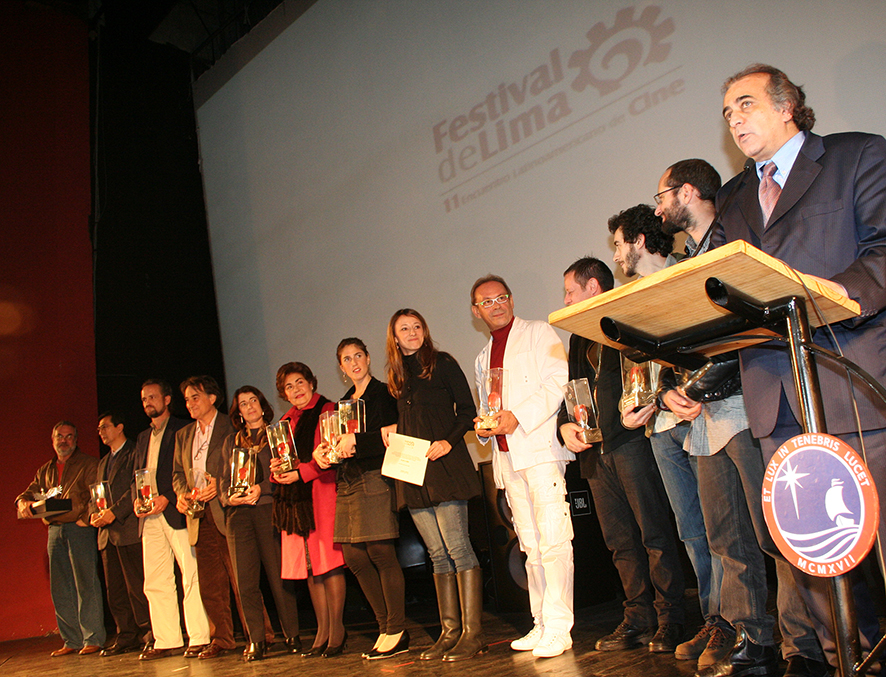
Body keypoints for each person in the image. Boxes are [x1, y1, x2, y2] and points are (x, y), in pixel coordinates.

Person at [712, 63, 886, 677]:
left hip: (849, 378)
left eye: (746, 103)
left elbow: (883, 251)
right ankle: (849, 663)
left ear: (787, 106)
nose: (734, 118)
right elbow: (716, 294)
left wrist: (817, 300)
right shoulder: (732, 199)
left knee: (877, 546)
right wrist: (690, 378)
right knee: (812, 554)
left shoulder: (856, 156)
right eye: (727, 110)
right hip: (774, 398)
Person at [654, 159, 824, 674]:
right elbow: (679, 342)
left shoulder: (736, 244)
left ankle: (803, 646)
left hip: (750, 408)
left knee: (775, 536)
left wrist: (695, 386)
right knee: (727, 538)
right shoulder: (685, 261)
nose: (658, 207)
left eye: (662, 196)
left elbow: (748, 331)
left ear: (686, 193)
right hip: (706, 419)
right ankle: (755, 637)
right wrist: (669, 391)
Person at [556, 257, 686, 655]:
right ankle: (637, 618)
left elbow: (644, 376)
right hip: (595, 452)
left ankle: (671, 619)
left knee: (654, 535)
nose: (565, 299)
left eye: (569, 291)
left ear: (592, 287)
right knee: (619, 542)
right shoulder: (579, 335)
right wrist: (565, 425)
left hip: (631, 443)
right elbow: (572, 387)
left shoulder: (625, 316)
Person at [470, 276, 575, 658]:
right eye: (487, 301)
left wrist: (518, 416)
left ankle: (560, 627)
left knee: (553, 539)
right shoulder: (483, 357)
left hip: (540, 450)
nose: (496, 305)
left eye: (502, 298)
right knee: (529, 545)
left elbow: (557, 383)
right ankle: (541, 622)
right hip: (507, 457)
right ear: (476, 311)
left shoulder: (539, 332)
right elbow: (487, 406)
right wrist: (484, 427)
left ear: (511, 300)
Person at [385, 308, 485, 661]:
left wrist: (448, 441)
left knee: (458, 548)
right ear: (394, 338)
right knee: (437, 554)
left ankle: (472, 634)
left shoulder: (441, 362)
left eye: (416, 327)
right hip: (414, 475)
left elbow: (467, 409)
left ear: (424, 331)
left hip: (446, 468)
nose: (412, 333)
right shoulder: (396, 376)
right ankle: (449, 631)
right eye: (404, 329)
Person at [312, 338, 406, 660]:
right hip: (347, 481)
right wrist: (325, 453)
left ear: (367, 358)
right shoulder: (341, 405)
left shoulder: (384, 394)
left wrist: (357, 441)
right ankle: (384, 626)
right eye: (346, 359)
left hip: (376, 477)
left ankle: (396, 628)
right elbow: (339, 444)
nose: (354, 363)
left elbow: (394, 435)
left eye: (358, 356)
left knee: (381, 551)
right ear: (341, 368)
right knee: (353, 557)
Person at [173, 375, 261, 659]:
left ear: (212, 398)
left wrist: (220, 483)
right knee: (210, 582)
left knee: (242, 578)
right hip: (198, 515)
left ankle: (259, 635)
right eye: (186, 399)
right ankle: (222, 638)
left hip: (227, 509)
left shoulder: (230, 425)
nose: (190, 404)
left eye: (195, 397)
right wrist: (182, 493)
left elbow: (243, 460)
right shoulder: (184, 435)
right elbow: (176, 474)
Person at [219, 386, 301, 661]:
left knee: (279, 577)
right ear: (238, 412)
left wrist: (262, 488)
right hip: (238, 517)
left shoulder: (277, 434)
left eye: (253, 400)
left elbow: (288, 470)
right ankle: (256, 639)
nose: (249, 406)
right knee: (245, 581)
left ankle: (292, 633)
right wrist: (230, 497)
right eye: (243, 404)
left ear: (263, 405)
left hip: (268, 509)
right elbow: (222, 481)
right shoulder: (231, 442)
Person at [131, 379, 210, 661]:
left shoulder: (181, 428)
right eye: (143, 399)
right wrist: (137, 501)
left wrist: (166, 495)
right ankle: (167, 639)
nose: (147, 402)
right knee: (155, 580)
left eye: (152, 397)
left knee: (190, 574)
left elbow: (182, 470)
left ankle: (199, 637)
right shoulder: (142, 437)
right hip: (149, 517)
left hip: (175, 509)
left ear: (166, 400)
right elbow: (138, 475)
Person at [272, 362, 347, 657]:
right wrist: (277, 470)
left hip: (323, 494)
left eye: (300, 382)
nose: (296, 390)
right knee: (312, 570)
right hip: (296, 503)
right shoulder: (286, 421)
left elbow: (331, 454)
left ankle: (337, 630)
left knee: (329, 564)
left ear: (311, 383)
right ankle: (322, 631)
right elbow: (282, 460)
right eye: (289, 387)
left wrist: (301, 472)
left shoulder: (328, 410)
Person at [16, 421, 105, 657]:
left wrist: (86, 518)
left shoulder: (88, 463)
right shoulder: (45, 470)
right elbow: (27, 492)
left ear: (75, 440)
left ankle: (93, 638)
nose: (64, 441)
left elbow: (98, 493)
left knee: (86, 583)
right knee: (61, 587)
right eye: (60, 437)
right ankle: (72, 640)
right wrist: (23, 502)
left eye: (69, 436)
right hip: (54, 531)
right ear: (53, 440)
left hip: (79, 529)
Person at [91, 412, 151, 656]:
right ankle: (126, 634)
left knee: (137, 586)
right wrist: (95, 514)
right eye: (99, 429)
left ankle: (148, 632)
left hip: (127, 529)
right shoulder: (103, 461)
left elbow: (136, 487)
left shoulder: (135, 452)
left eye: (105, 427)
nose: (102, 432)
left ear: (120, 426)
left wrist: (114, 513)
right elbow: (97, 496)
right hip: (108, 534)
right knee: (115, 590)